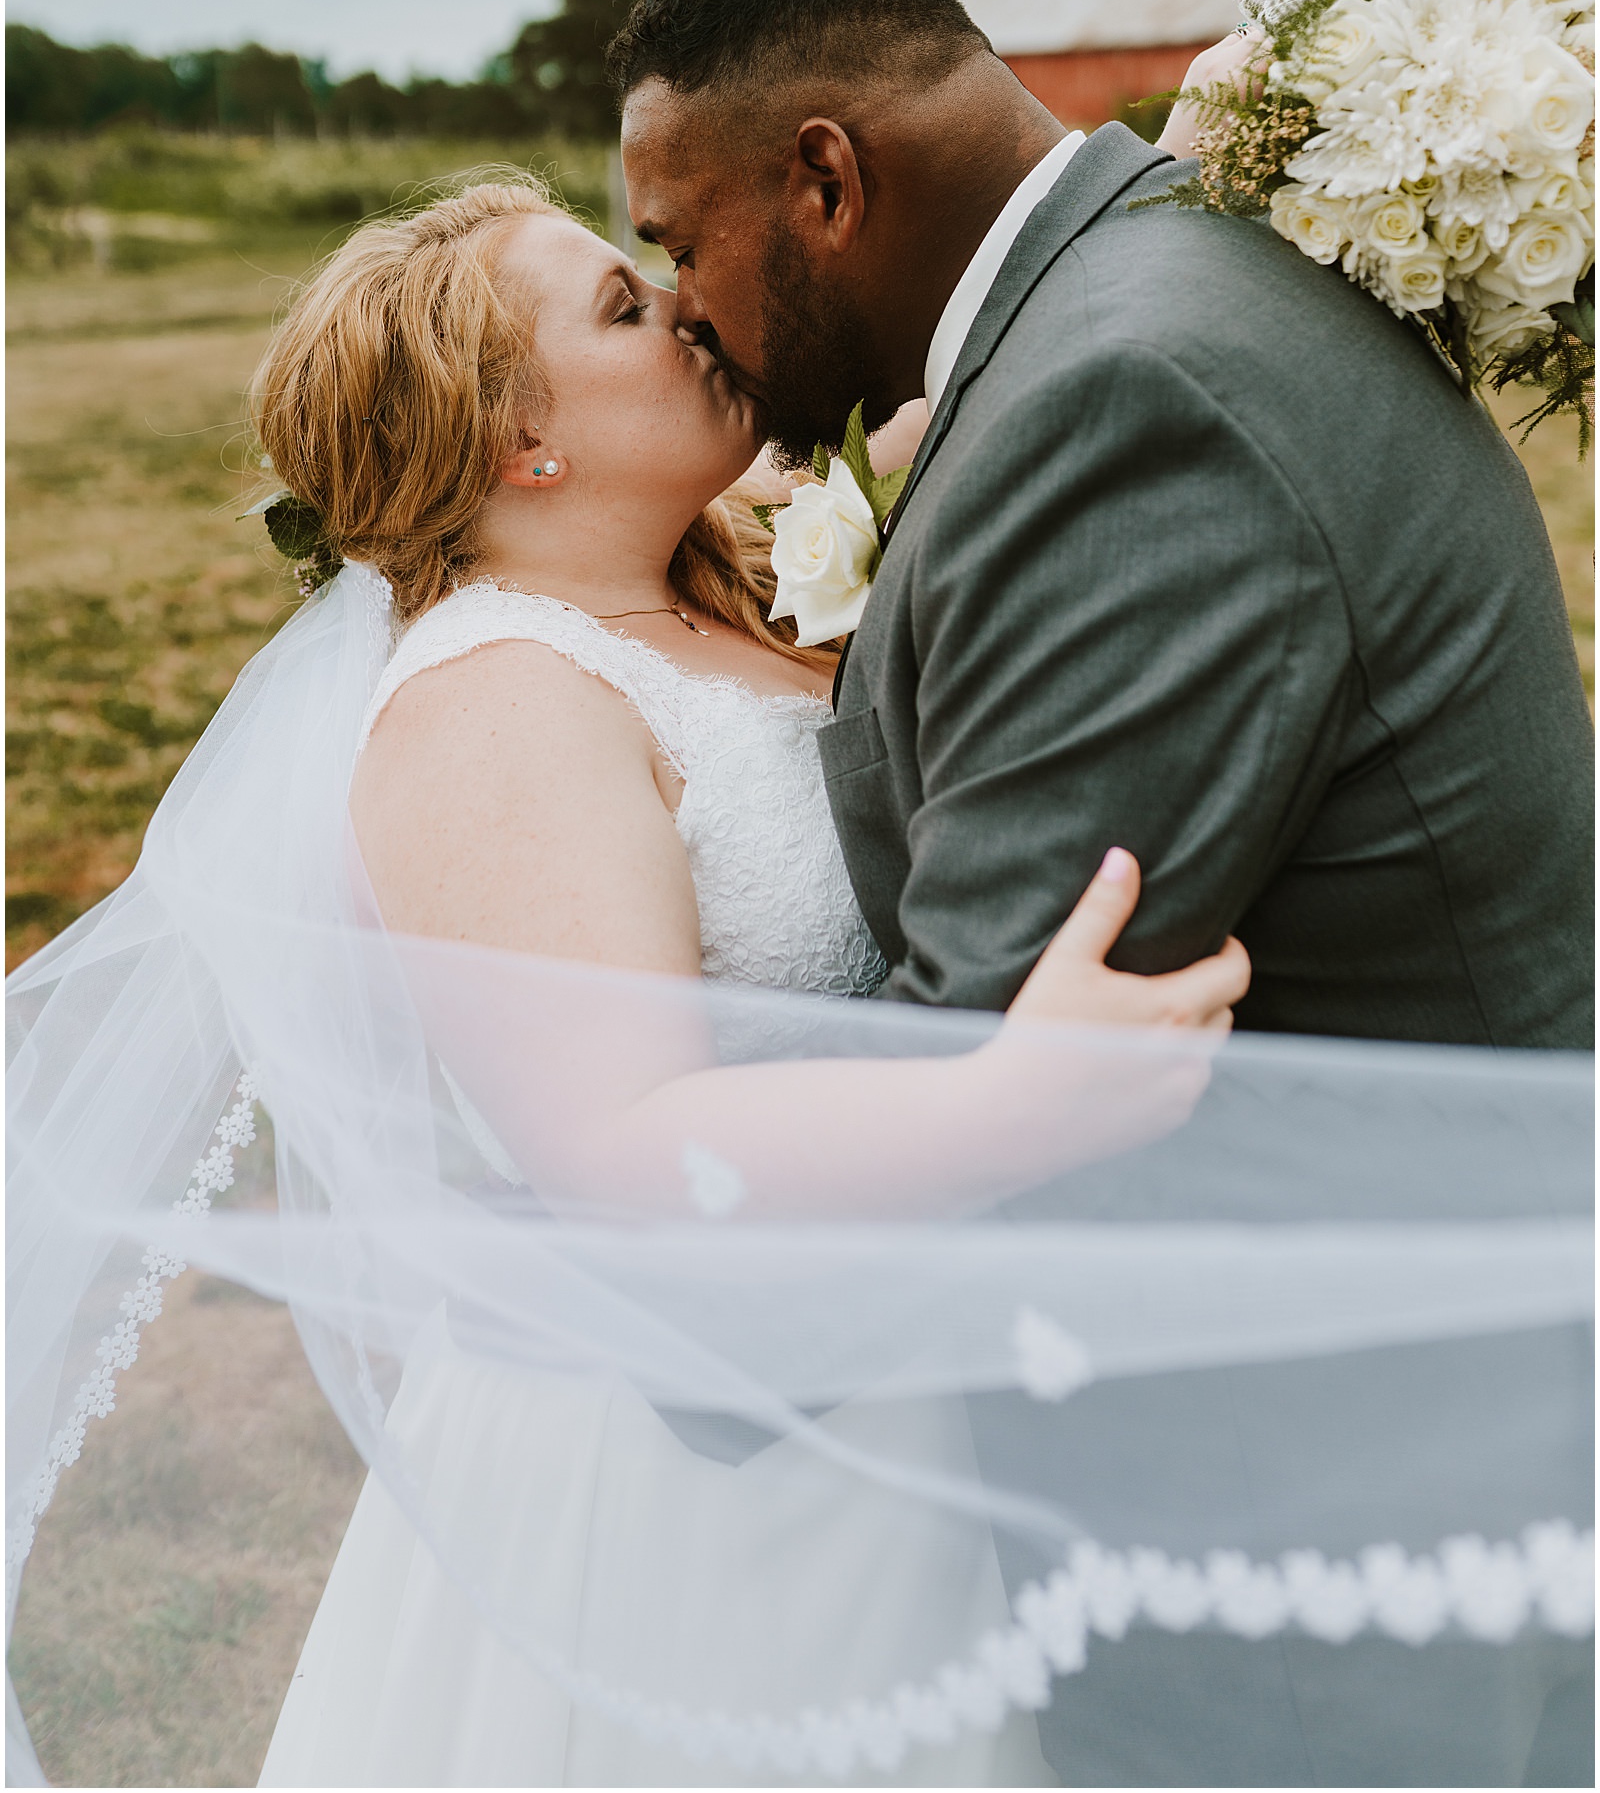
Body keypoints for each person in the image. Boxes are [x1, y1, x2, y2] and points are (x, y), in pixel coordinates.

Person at [608, 0, 1596, 1784]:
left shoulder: (1130, 404)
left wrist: (615, 1301)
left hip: (1303, 1543)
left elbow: (992, 1027)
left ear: (822, 177)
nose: (690, 316)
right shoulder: (1157, 286)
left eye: (681, 243)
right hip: (1414, 1435)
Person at [241, 178, 1242, 1787]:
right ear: (523, 446)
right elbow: (619, 1145)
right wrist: (1006, 1098)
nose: (686, 309)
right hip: (694, 1482)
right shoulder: (494, 704)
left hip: (890, 1386)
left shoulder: (717, 579)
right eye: (627, 311)